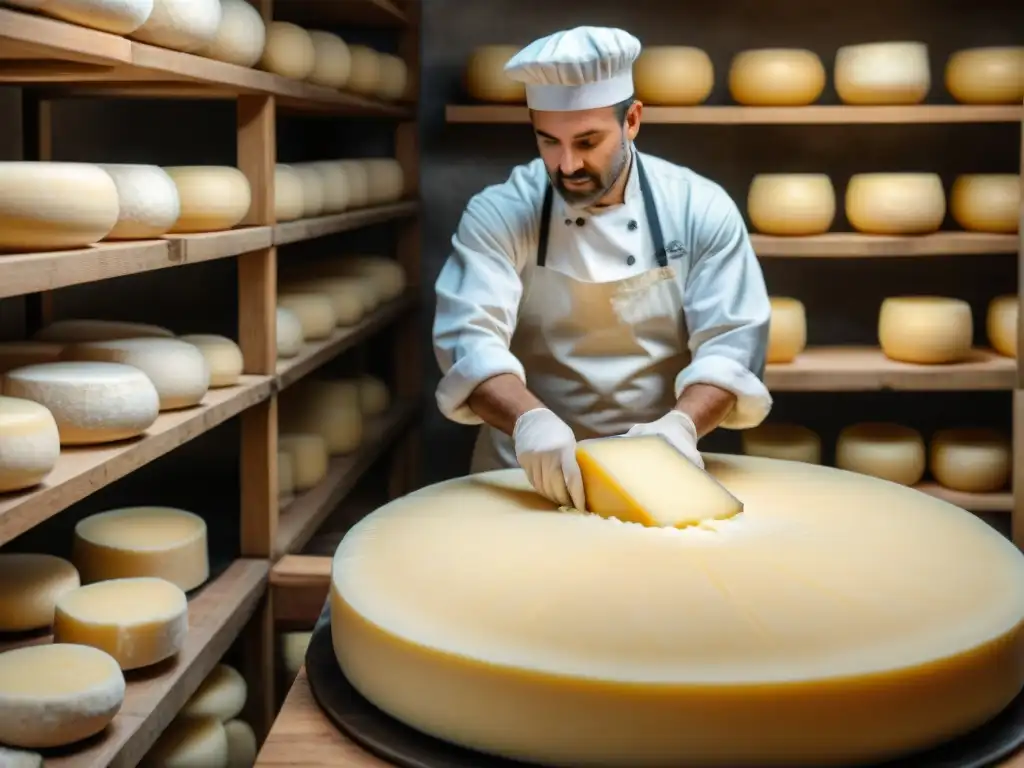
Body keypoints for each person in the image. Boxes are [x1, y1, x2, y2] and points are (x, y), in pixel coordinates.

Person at [432, 26, 772, 510]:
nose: (567, 164)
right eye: (548, 141)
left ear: (632, 120)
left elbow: (731, 348)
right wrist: (532, 423)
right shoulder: (500, 213)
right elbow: (471, 345)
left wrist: (680, 426)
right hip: (526, 476)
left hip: (662, 478)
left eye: (588, 142)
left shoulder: (698, 207)